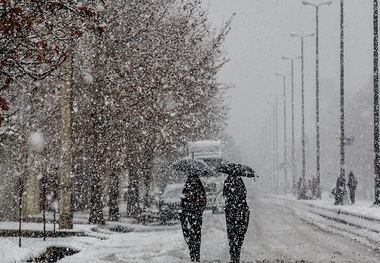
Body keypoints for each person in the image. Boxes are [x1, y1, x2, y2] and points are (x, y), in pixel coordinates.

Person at [223, 174, 250, 263]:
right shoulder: (227, 183)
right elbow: (225, 196)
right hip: (231, 215)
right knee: (231, 236)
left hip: (240, 214)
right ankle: (233, 257)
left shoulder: (240, 184)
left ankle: (236, 255)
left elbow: (243, 196)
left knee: (239, 236)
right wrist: (229, 187)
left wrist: (235, 190)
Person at [180, 173, 206, 262]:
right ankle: (192, 254)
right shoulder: (186, 188)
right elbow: (182, 202)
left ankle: (197, 256)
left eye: (195, 177)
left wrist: (199, 202)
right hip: (188, 216)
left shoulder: (200, 188)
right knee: (190, 236)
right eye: (192, 177)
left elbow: (203, 202)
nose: (193, 179)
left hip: (196, 216)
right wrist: (187, 197)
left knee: (197, 236)